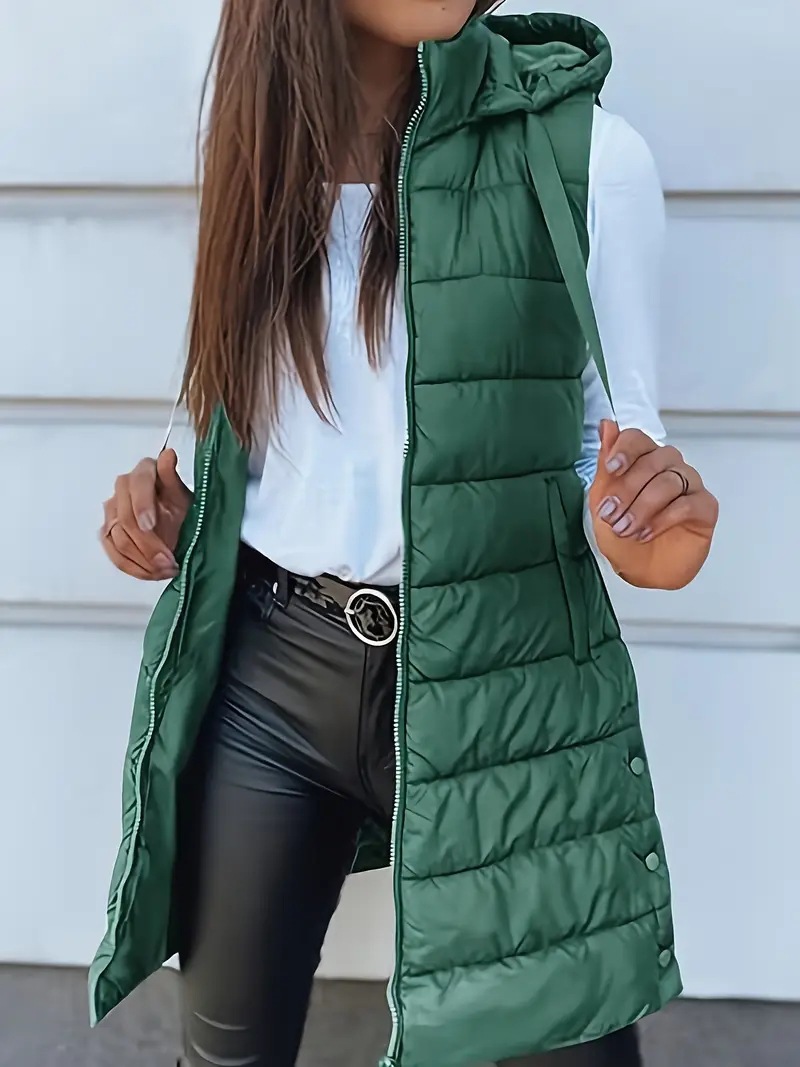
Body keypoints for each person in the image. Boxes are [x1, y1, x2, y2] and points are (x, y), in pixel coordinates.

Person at [89, 4, 719, 1066]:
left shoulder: (587, 153)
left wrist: (642, 525)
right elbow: (227, 410)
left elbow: (612, 443)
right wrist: (168, 504)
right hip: (271, 669)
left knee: (567, 1041)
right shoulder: (249, 143)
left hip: (507, 685)